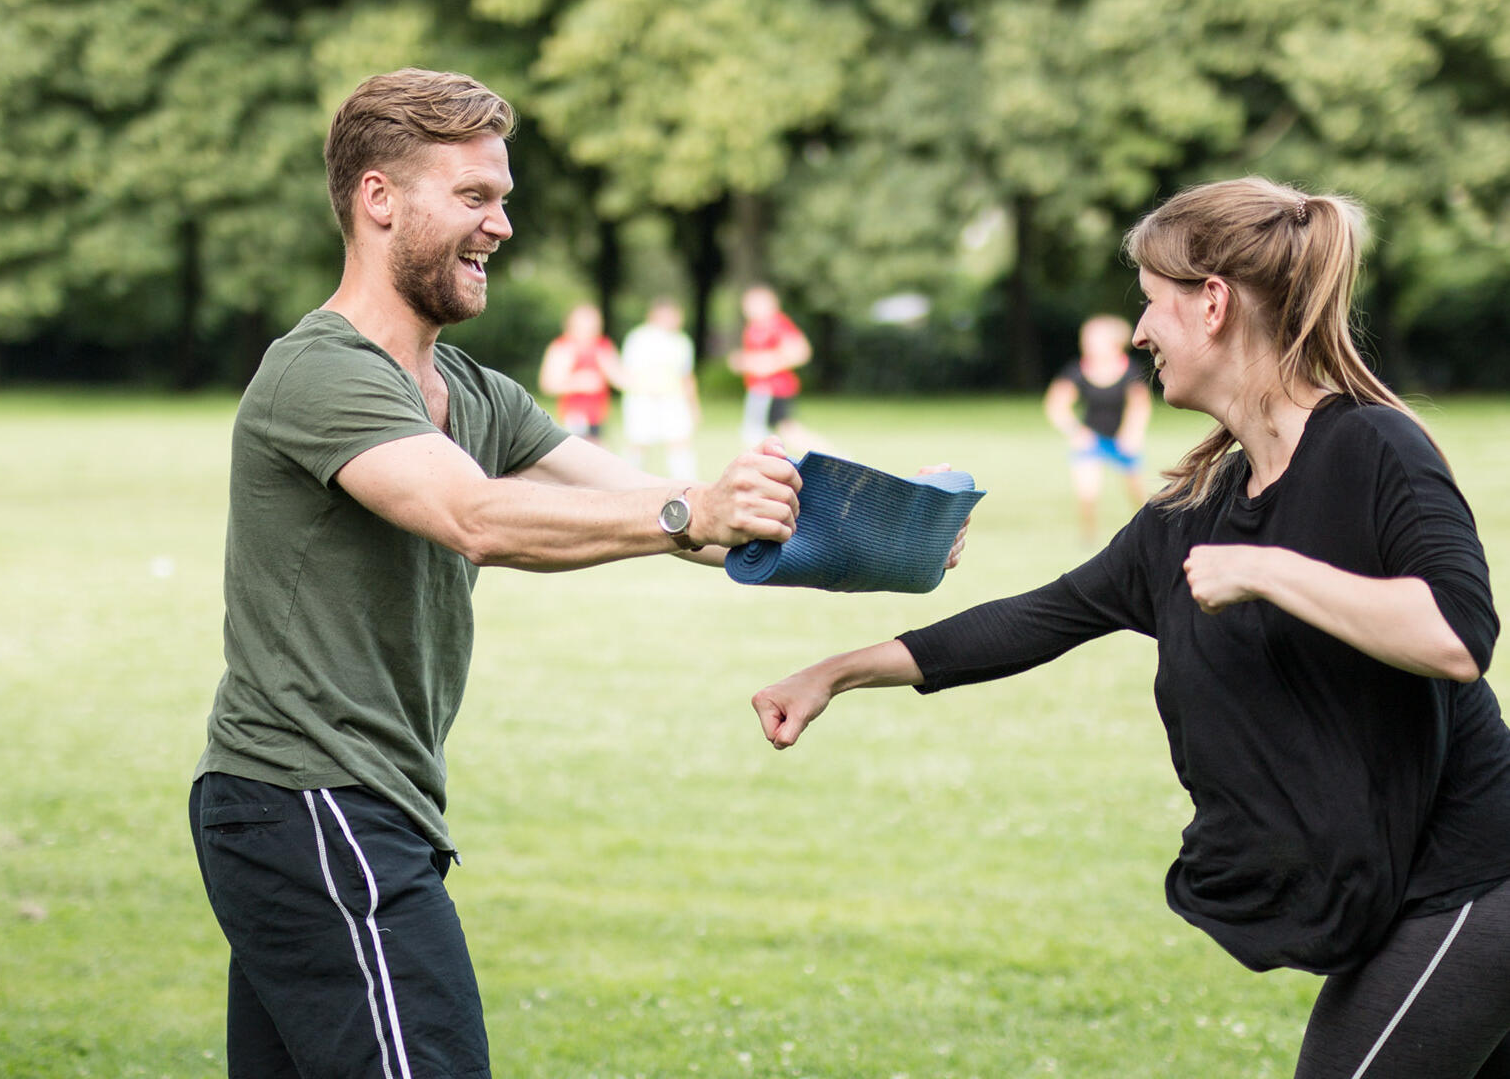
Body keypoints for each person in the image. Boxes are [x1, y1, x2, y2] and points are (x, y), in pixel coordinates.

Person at [188, 68, 970, 1079]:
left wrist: (886, 532)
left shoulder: (472, 390)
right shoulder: (321, 373)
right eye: (474, 197)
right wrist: (690, 510)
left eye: (503, 199)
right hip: (310, 802)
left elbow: (661, 502)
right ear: (379, 199)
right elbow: (476, 518)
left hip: (338, 810)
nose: (500, 225)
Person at [752, 177, 1510, 1078]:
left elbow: (1457, 636)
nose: (1140, 332)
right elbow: (1040, 618)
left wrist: (1271, 572)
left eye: (1151, 305)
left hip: (1478, 877)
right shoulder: (1196, 508)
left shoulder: (1375, 446)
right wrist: (833, 673)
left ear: (1214, 305)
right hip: (1409, 882)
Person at [1042, 314, 1152, 544]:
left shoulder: (1130, 371)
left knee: (1136, 493)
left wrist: (1132, 434)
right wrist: (1076, 432)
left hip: (1122, 440)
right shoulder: (1077, 371)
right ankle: (1089, 539)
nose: (1087, 343)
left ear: (1114, 343)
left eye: (1094, 339)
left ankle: (1150, 530)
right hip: (1092, 440)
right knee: (1087, 492)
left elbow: (1140, 406)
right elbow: (1056, 405)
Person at [727, 284, 830, 453]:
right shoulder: (753, 328)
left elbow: (800, 352)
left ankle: (833, 457)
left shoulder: (777, 324)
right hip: (760, 390)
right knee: (773, 433)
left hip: (774, 389)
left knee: (771, 433)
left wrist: (766, 364)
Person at [619, 297, 700, 480]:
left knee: (679, 442)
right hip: (643, 398)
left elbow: (686, 376)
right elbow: (627, 372)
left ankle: (686, 483)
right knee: (638, 442)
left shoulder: (681, 341)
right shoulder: (638, 338)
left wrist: (693, 405)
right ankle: (627, 481)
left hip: (672, 398)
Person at [537, 302, 619, 443]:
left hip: (599, 415)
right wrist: (578, 382)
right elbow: (548, 385)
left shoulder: (603, 346)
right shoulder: (562, 348)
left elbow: (620, 377)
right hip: (574, 417)